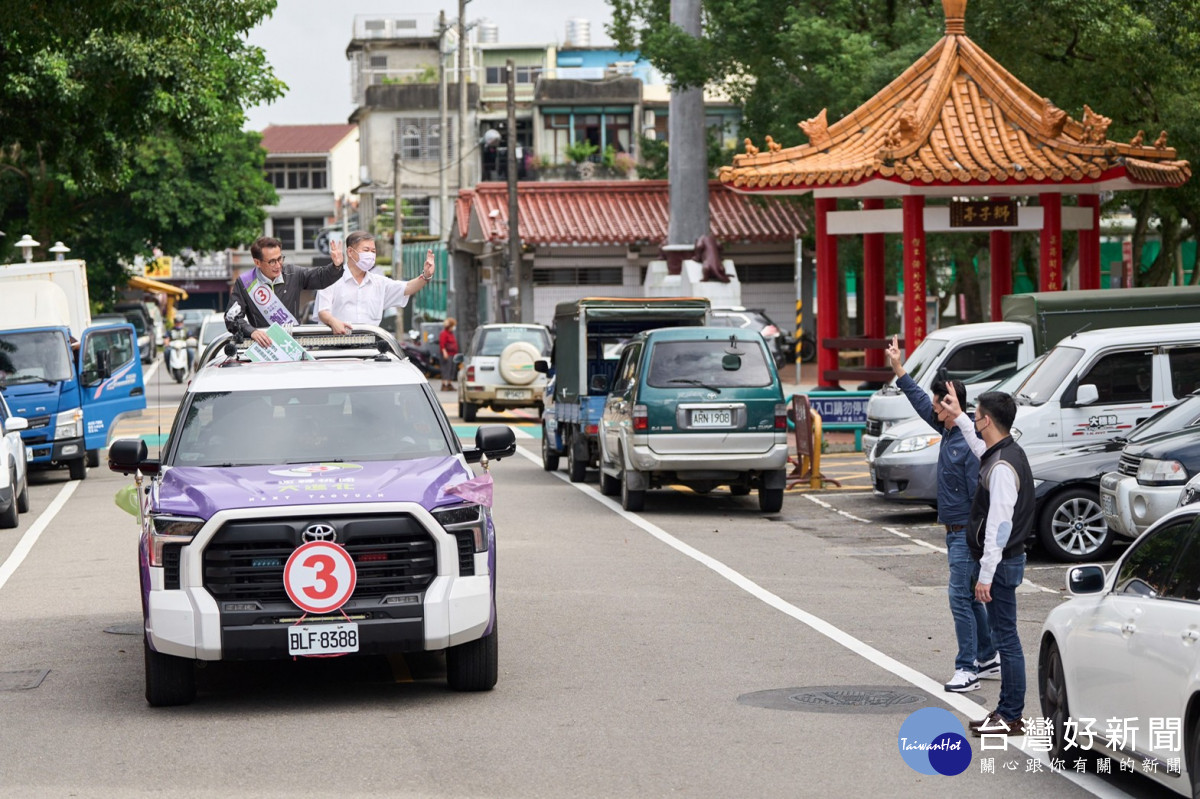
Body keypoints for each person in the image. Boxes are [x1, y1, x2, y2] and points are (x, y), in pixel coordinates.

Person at [884, 336, 997, 694]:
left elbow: (983, 498)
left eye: (939, 405)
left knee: (958, 597)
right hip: (954, 531)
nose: (933, 409)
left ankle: (968, 669)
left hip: (965, 533)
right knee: (967, 595)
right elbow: (920, 402)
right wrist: (898, 368)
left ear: (952, 407)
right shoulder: (947, 430)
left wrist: (978, 539)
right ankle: (987, 654)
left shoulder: (965, 445)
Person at [941, 389, 1034, 737]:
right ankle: (1007, 713)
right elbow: (981, 449)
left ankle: (1010, 715)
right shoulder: (1004, 452)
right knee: (1005, 636)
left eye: (976, 416)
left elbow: (999, 527)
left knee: (1007, 639)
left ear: (989, 421)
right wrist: (960, 417)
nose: (975, 421)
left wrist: (985, 575)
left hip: (1002, 562)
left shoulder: (1002, 468)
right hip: (1005, 561)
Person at [227, 235, 346, 348]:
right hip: (263, 349)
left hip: (291, 345)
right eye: (272, 261)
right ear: (257, 262)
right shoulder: (245, 283)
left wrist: (336, 266)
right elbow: (231, 317)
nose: (278, 265)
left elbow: (320, 277)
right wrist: (252, 332)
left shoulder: (293, 273)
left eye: (280, 259)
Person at [316, 232, 436, 333]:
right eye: (366, 250)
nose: (371, 255)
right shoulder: (330, 279)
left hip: (369, 349)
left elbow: (408, 287)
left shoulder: (379, 282)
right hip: (335, 348)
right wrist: (333, 322)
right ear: (350, 252)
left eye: (373, 251)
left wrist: (426, 275)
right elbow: (323, 311)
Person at [439, 318, 459, 391]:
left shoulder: (451, 333)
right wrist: (444, 352)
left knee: (451, 369)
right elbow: (442, 344)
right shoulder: (443, 333)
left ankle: (449, 384)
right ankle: (444, 384)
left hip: (453, 354)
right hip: (447, 354)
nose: (454, 328)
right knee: (445, 369)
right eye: (453, 326)